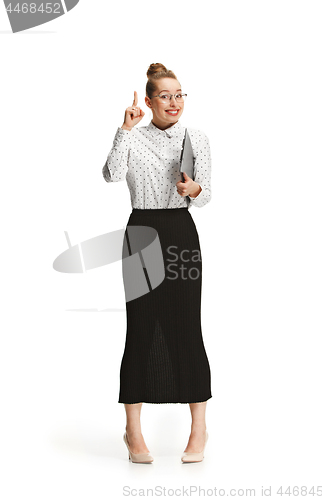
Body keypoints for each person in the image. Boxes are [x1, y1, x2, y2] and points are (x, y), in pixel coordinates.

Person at [102, 63, 212, 463]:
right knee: (142, 327)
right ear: (148, 102)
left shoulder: (195, 137)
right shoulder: (133, 136)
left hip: (181, 233)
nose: (174, 102)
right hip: (142, 233)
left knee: (186, 326)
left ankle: (199, 428)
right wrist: (124, 130)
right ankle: (133, 432)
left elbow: (206, 195)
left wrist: (195, 188)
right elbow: (112, 175)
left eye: (179, 94)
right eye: (164, 96)